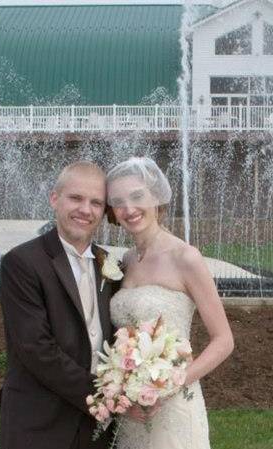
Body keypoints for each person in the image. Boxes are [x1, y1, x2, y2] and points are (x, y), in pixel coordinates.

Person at [106, 156, 234, 449]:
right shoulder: (125, 260)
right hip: (132, 411)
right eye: (118, 201)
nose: (129, 209)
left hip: (174, 404)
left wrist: (170, 385)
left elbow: (224, 340)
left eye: (137, 196)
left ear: (156, 198)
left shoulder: (185, 257)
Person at [0, 161, 120, 449]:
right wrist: (103, 397)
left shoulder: (110, 264)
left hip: (97, 431)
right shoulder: (22, 262)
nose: (85, 210)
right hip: (39, 423)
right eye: (76, 198)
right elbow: (36, 348)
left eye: (95, 203)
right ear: (55, 199)